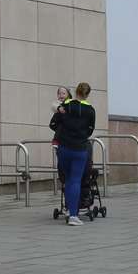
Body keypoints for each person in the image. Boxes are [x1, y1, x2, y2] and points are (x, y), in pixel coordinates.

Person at [49, 82, 96, 226]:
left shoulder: (66, 106)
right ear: (87, 94)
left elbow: (53, 123)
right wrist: (80, 135)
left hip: (64, 147)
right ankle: (74, 216)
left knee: (67, 179)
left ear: (75, 92)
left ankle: (69, 210)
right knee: (75, 180)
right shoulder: (90, 110)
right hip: (80, 148)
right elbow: (90, 130)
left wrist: (64, 131)